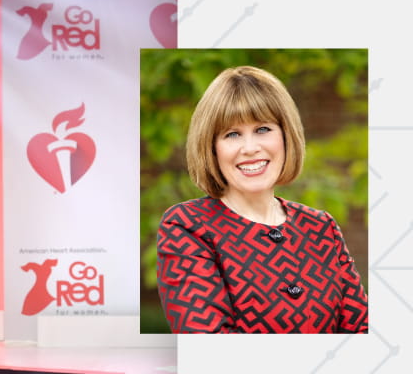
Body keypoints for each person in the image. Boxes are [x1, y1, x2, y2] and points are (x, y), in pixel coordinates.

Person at [156, 65, 368, 333]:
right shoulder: (187, 227)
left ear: (286, 136)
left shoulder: (321, 227)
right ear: (211, 147)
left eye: (263, 129)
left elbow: (362, 332)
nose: (250, 148)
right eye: (232, 134)